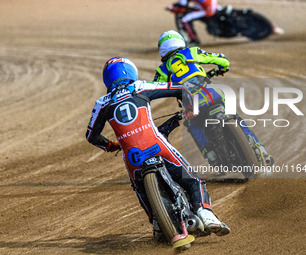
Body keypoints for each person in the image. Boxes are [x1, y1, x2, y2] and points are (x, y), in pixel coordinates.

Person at [86, 57, 230, 242]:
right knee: (193, 180)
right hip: (156, 145)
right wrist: (189, 108)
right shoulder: (140, 87)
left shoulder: (102, 103)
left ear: (107, 79)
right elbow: (182, 89)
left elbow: (91, 137)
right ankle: (207, 215)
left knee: (139, 189)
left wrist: (110, 145)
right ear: (131, 72)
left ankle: (156, 224)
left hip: (132, 157)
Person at [154, 30, 274, 168]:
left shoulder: (162, 71)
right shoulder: (191, 52)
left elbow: (156, 90)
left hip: (192, 104)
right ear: (180, 42)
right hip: (213, 94)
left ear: (162, 50)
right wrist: (222, 68)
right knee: (235, 116)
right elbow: (221, 59)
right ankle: (260, 149)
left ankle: (211, 155)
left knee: (193, 125)